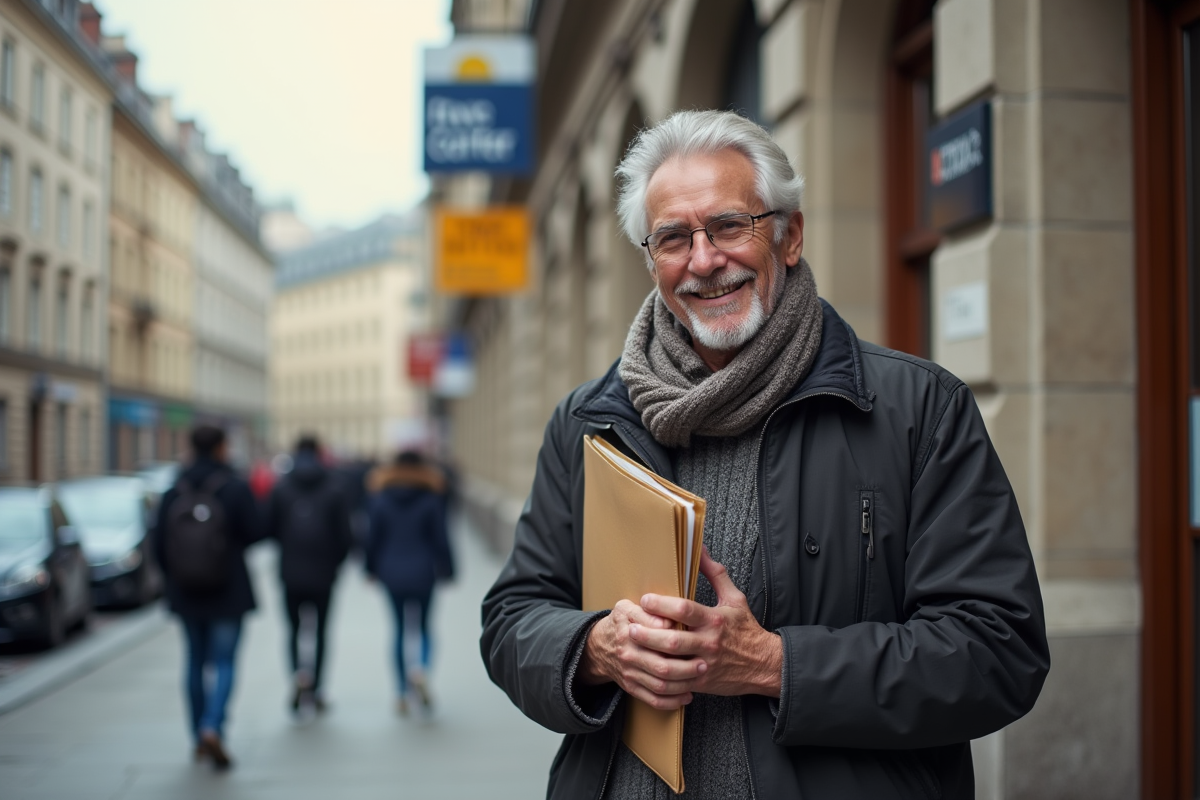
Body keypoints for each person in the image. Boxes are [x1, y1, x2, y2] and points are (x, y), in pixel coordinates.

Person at [479, 110, 1051, 799]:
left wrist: (777, 665)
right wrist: (594, 648)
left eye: (728, 226)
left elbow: (998, 652)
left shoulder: (916, 409)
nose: (704, 260)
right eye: (673, 239)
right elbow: (513, 618)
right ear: (651, 261)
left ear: (789, 235)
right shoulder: (588, 422)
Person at [153, 424, 263, 770]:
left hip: (187, 592)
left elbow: (157, 545)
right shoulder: (233, 487)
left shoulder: (174, 490)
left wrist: (177, 576)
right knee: (226, 661)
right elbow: (256, 532)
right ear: (221, 449)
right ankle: (213, 725)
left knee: (194, 662)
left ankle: (197, 736)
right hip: (227, 589)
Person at [264, 435, 352, 714]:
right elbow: (346, 537)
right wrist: (335, 563)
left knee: (293, 630)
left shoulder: (282, 487)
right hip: (324, 573)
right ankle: (318, 688)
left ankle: (298, 676)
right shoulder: (334, 487)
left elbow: (269, 529)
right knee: (321, 632)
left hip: (290, 572)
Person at [365, 451, 454, 715]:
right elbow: (441, 538)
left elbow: (372, 538)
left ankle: (401, 693)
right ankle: (421, 670)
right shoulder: (431, 499)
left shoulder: (380, 498)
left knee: (399, 629)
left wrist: (370, 569)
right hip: (423, 572)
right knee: (425, 626)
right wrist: (448, 569)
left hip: (391, 572)